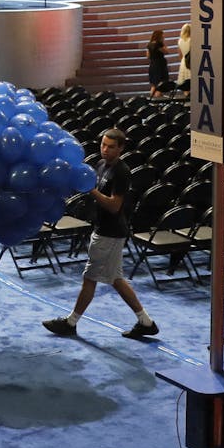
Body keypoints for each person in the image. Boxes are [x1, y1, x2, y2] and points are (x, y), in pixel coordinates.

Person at [44, 128, 158, 340]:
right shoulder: (100, 165)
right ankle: (146, 322)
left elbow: (115, 206)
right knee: (116, 279)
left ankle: (71, 322)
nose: (105, 150)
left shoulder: (122, 172)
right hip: (103, 229)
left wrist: (91, 190)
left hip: (111, 233)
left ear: (121, 148)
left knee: (90, 278)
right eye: (103, 145)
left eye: (111, 147)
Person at [146, 29, 172, 97]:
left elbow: (148, 56)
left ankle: (152, 101)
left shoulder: (149, 44)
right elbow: (166, 51)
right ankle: (158, 101)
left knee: (154, 85)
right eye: (162, 36)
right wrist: (163, 44)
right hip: (160, 66)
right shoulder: (159, 44)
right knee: (160, 86)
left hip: (152, 65)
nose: (163, 37)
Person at [176, 23, 191, 93]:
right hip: (190, 62)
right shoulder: (191, 40)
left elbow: (180, 54)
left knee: (185, 85)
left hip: (183, 61)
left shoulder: (180, 41)